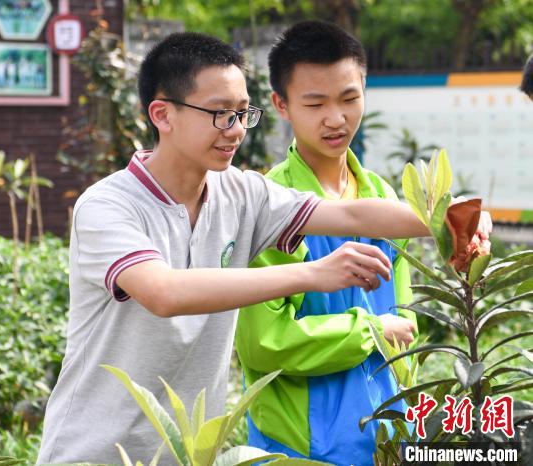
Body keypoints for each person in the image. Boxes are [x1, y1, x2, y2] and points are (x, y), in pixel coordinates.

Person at [36, 32, 480, 464]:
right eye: (218, 113)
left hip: (188, 453)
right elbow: (164, 293)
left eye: (242, 113)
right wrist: (313, 273)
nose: (234, 130)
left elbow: (352, 215)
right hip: (93, 452)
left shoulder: (242, 194)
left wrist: (457, 216)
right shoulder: (108, 205)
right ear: (162, 114)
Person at [235, 21, 423, 465]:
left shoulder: (382, 195)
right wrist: (370, 332)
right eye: (315, 103)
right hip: (300, 449)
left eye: (349, 99)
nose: (336, 119)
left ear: (365, 89)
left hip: (389, 439)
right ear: (281, 104)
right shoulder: (269, 205)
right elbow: (263, 343)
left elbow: (406, 319)